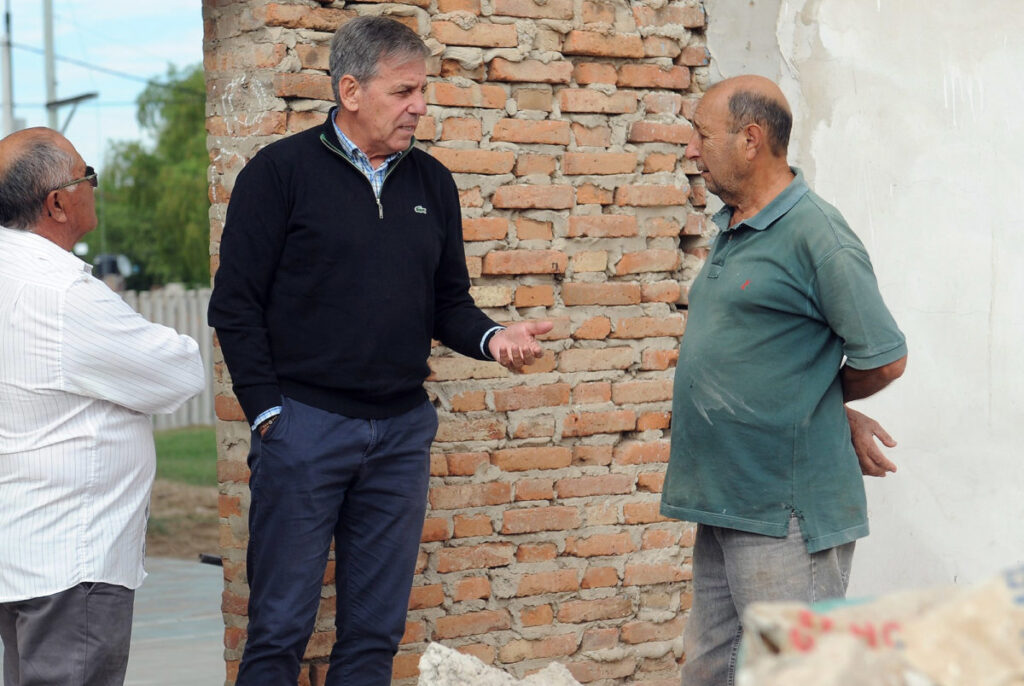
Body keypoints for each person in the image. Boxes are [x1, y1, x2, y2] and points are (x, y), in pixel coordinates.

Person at [207, 16, 551, 685]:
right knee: (278, 630)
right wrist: (267, 416)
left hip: (399, 435)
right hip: (303, 429)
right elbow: (235, 306)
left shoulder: (433, 184)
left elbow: (448, 301)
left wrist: (492, 337)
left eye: (422, 90)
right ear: (351, 90)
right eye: (404, 91)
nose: (419, 105)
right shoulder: (278, 175)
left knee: (372, 636)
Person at [659, 76, 908, 686]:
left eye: (702, 134)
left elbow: (884, 356)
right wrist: (817, 400)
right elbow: (778, 354)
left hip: (785, 510)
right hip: (725, 498)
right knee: (711, 671)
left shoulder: (817, 235)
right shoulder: (736, 226)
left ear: (750, 140)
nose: (692, 149)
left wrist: (820, 404)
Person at [0, 128, 205, 686]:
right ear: (58, 202)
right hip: (72, 557)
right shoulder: (63, 294)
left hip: (25, 548)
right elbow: (178, 372)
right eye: (88, 176)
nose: (95, 187)